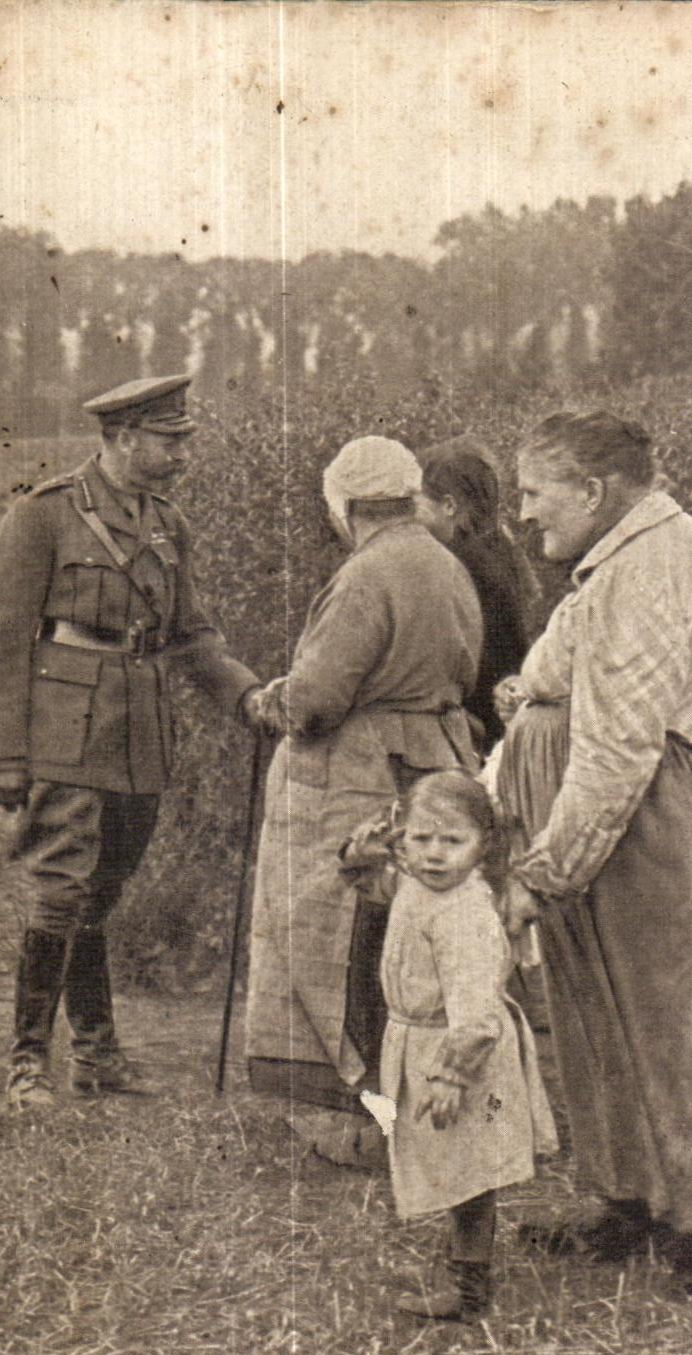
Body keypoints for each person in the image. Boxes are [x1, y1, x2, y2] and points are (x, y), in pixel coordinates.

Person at [499, 410, 692, 1282]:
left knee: (661, 1022)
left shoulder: (648, 568)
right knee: (610, 1019)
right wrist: (531, 694)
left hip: (636, 820)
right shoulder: (631, 558)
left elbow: (622, 745)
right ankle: (631, 1203)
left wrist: (546, 871)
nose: (523, 512)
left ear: (592, 490)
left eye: (535, 492)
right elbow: (584, 684)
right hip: (625, 814)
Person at [0, 375, 261, 1112]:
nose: (182, 456)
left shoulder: (168, 524)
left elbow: (192, 634)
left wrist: (246, 695)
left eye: (184, 441)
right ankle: (27, 1062)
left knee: (102, 894)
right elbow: (1, 638)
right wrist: (5, 757)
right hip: (64, 729)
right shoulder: (44, 515)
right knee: (59, 890)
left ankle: (96, 1056)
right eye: (170, 442)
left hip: (139, 733)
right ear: (124, 438)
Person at [244, 437, 484, 1141]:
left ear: (344, 507)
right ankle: (419, 1105)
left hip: (358, 770)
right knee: (416, 930)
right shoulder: (447, 566)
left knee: (339, 926)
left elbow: (316, 699)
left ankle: (358, 1113)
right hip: (436, 760)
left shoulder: (365, 574)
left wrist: (270, 702)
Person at [341, 772, 558, 1322]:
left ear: (483, 846)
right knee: (450, 1160)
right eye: (421, 838)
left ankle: (469, 1288)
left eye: (453, 840)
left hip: (460, 1053)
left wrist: (451, 1075)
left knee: (468, 1171)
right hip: (420, 1043)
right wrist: (375, 839)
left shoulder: (465, 914)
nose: (435, 854)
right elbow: (359, 873)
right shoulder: (412, 884)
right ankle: (462, 1266)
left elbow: (477, 1010)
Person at [416, 439, 537, 749]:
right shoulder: (497, 547)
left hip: (481, 722)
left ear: (449, 506)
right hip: (503, 713)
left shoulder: (462, 564)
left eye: (418, 502)